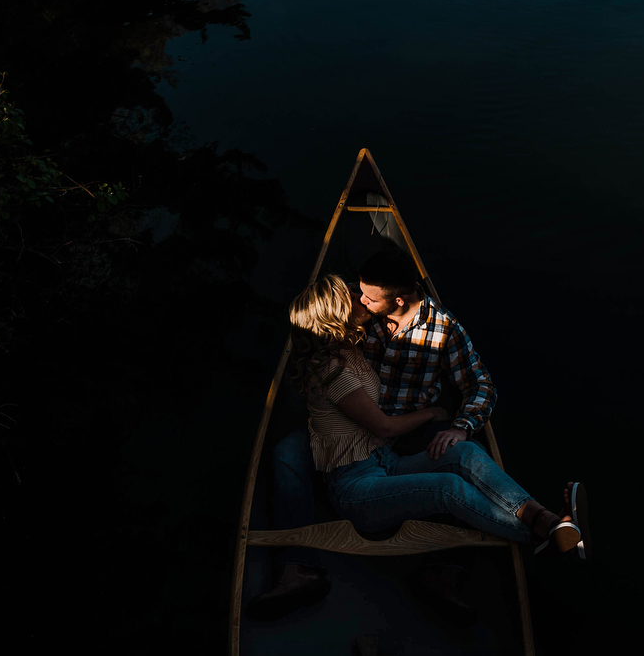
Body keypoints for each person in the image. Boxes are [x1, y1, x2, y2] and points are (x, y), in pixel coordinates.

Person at [246, 251, 589, 622]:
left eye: (367, 298)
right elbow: (325, 336)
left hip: (389, 444)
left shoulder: (441, 330)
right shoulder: (358, 328)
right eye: (356, 295)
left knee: (465, 452)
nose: (360, 301)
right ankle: (295, 564)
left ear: (397, 299)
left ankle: (546, 521)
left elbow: (480, 385)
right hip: (361, 434)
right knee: (285, 452)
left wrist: (459, 425)